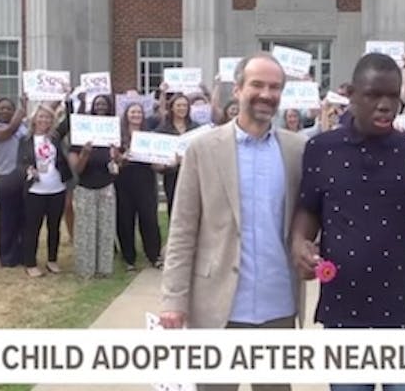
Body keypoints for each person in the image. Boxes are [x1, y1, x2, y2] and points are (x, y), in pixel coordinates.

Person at [291, 53, 405, 391]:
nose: (385, 105)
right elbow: (308, 208)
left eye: (393, 97)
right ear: (352, 95)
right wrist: (300, 242)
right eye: (374, 95)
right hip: (343, 307)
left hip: (399, 306)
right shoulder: (321, 149)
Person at [161, 54, 306, 391]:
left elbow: (308, 219)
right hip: (216, 306)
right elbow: (182, 229)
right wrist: (173, 299)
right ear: (238, 89)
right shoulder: (203, 149)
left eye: (274, 87)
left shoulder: (297, 150)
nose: (266, 94)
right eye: (257, 84)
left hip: (278, 307)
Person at [69, 94, 121, 278]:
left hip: (106, 187)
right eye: (97, 104)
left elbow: (116, 169)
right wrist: (84, 153)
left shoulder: (112, 137)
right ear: (92, 108)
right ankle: (86, 269)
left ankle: (104, 269)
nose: (101, 107)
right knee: (86, 230)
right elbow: (77, 169)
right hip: (85, 188)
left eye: (104, 104)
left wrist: (117, 157)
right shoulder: (80, 138)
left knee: (105, 230)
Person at [18, 104, 72, 278]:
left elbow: (69, 120)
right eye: (41, 117)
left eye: (48, 118)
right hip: (35, 190)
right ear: (34, 119)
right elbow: (20, 162)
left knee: (54, 227)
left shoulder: (55, 138)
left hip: (57, 188)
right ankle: (30, 263)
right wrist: (28, 169)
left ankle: (52, 260)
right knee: (32, 227)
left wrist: (68, 99)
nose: (44, 120)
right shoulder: (25, 140)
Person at [116, 103, 162, 271]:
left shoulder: (149, 135)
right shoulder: (118, 136)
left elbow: (156, 163)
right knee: (125, 220)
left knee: (149, 219)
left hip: (145, 181)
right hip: (123, 182)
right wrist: (121, 158)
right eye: (132, 112)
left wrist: (166, 162)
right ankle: (129, 259)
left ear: (143, 116)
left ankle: (154, 255)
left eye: (138, 112)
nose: (136, 115)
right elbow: (113, 162)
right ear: (126, 114)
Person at [0, 96, 28, 267]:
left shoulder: (23, 127)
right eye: (1, 108)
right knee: (7, 219)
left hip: (24, 177)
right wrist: (22, 107)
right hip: (7, 178)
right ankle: (6, 256)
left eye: (9, 108)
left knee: (23, 218)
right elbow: (11, 129)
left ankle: (20, 254)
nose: (5, 111)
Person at [153, 93, 198, 220]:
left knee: (194, 209)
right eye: (178, 105)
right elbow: (156, 156)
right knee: (174, 208)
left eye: (185, 105)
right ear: (171, 107)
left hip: (193, 175)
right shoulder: (163, 130)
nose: (182, 108)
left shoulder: (196, 128)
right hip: (172, 176)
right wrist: (170, 161)